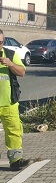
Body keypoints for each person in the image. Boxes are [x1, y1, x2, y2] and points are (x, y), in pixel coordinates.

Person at [0, 29, 29, 171]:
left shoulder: (10, 54)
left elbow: (22, 72)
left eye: (1, 42)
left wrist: (10, 64)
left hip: (9, 102)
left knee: (14, 131)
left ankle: (16, 160)